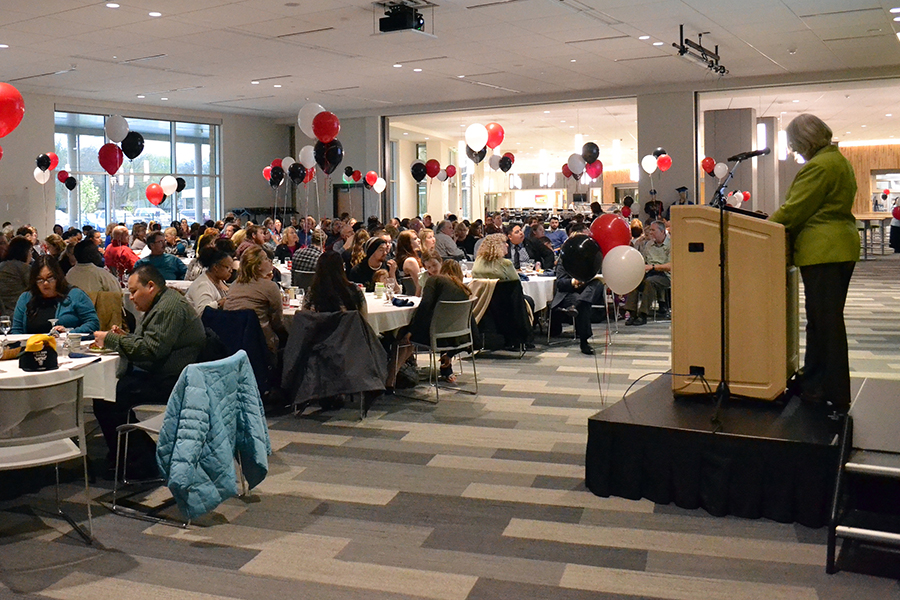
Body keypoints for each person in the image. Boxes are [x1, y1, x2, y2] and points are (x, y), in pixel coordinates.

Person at [769, 113, 859, 412]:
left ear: (806, 141)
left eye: (795, 145)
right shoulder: (838, 161)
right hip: (838, 248)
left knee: (826, 323)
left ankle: (835, 391)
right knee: (822, 322)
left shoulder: (819, 166)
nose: (795, 150)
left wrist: (766, 227)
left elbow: (795, 209)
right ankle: (815, 384)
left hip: (824, 251)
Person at [92, 264, 207, 476]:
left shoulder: (167, 308)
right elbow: (151, 343)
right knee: (110, 394)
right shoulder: (164, 302)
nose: (131, 297)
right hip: (173, 372)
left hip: (173, 379)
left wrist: (110, 339)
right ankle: (130, 456)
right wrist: (124, 338)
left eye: (134, 291)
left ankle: (141, 463)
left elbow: (151, 350)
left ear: (151, 286)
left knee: (107, 398)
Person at [390, 260, 473, 388]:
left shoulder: (434, 281)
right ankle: (394, 376)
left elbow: (425, 307)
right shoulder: (464, 290)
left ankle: (389, 379)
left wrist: (412, 331)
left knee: (403, 336)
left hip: (436, 337)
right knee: (410, 335)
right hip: (457, 338)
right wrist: (449, 354)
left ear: (442, 267)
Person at [11, 255, 100, 334]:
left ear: (58, 277)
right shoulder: (26, 298)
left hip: (67, 348)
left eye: (50, 278)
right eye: (40, 279)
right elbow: (16, 330)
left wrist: (69, 332)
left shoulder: (75, 295)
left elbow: (93, 323)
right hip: (33, 348)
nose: (45, 283)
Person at [223, 245, 286, 357]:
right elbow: (277, 322)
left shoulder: (234, 285)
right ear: (258, 266)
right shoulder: (270, 287)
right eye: (266, 259)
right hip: (260, 342)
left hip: (231, 340)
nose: (270, 261)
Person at [550, 233, 605, 355]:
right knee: (583, 305)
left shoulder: (592, 257)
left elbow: (597, 275)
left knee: (597, 284)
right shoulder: (564, 260)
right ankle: (584, 342)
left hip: (586, 292)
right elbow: (560, 283)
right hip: (569, 293)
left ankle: (578, 305)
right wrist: (575, 282)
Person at [623, 220, 671, 326]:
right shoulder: (649, 244)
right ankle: (632, 313)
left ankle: (643, 314)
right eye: (650, 230)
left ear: (662, 231)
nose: (651, 232)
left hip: (666, 275)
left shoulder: (671, 245)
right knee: (635, 279)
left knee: (649, 282)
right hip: (650, 272)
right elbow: (644, 260)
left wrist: (653, 267)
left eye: (653, 230)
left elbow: (671, 266)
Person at [303, 250, 366, 316]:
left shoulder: (312, 294)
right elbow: (364, 320)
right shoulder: (355, 291)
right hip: (348, 325)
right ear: (342, 268)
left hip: (318, 326)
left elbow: (305, 320)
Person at [185, 247, 233, 316]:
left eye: (231, 268)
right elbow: (201, 312)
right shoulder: (203, 285)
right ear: (215, 267)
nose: (231, 271)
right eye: (227, 267)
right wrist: (219, 304)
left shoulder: (220, 281)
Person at [0, 236, 32, 317]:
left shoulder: (2, 265)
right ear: (24, 252)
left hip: (4, 312)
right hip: (22, 312)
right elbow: (35, 289)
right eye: (30, 251)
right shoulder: (23, 268)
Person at [395, 230, 423, 296]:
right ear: (407, 244)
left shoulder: (414, 258)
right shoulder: (410, 261)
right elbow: (419, 284)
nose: (419, 240)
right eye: (415, 239)